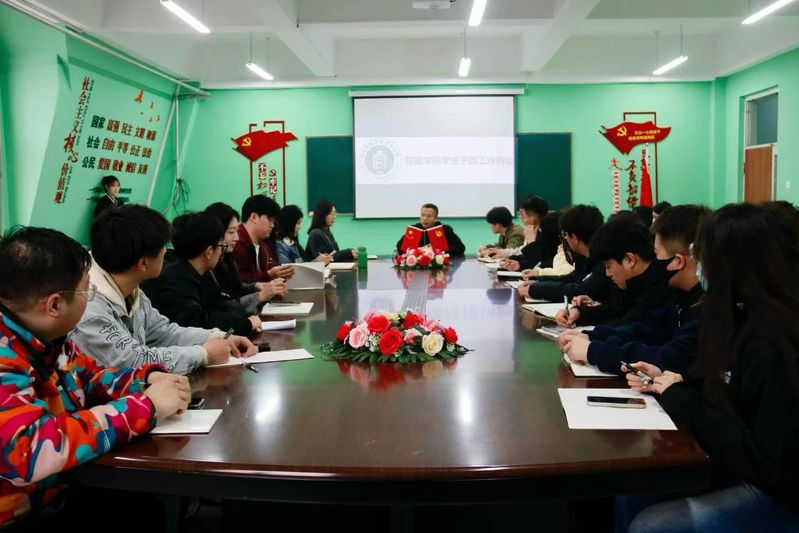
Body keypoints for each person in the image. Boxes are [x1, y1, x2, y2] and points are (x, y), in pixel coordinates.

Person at [617, 203, 799, 532]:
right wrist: (677, 381)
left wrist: (682, 396)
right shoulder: (738, 315)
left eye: (704, 256)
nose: (699, 266)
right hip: (746, 464)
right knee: (633, 491)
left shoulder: (777, 339)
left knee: (652, 526)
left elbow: (767, 460)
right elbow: (725, 389)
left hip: (778, 489)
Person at [0, 226, 189, 528]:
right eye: (86, 290)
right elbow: (28, 449)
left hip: (58, 487)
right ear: (54, 305)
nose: (90, 298)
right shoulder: (5, 357)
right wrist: (146, 407)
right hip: (18, 512)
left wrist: (147, 379)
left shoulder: (49, 338)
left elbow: (89, 378)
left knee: (143, 508)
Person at [70, 205, 256, 375]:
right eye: (162, 247)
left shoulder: (133, 291)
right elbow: (132, 362)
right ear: (143, 263)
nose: (166, 252)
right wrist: (202, 354)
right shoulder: (88, 308)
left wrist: (217, 337)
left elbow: (163, 333)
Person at [559, 205, 709, 374]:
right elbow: (647, 330)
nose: (653, 260)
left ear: (678, 262)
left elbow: (670, 358)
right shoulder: (680, 296)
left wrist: (594, 351)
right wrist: (592, 336)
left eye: (656, 253)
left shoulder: (705, 305)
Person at [142, 212, 260, 337]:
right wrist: (245, 324)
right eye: (221, 246)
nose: (221, 252)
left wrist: (244, 322)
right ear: (209, 252)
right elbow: (194, 323)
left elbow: (221, 306)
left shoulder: (202, 274)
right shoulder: (176, 280)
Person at [554, 215, 673, 327]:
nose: (607, 274)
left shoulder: (659, 291)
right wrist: (579, 313)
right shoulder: (632, 282)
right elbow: (614, 309)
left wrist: (587, 335)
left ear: (629, 260)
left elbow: (625, 325)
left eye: (608, 266)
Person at [205, 202, 286, 315]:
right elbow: (221, 308)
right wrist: (259, 295)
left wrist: (256, 286)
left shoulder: (227, 256)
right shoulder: (210, 264)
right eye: (231, 232)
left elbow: (236, 287)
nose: (237, 237)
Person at [518, 204, 609, 302]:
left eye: (565, 235)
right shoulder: (585, 258)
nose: (565, 239)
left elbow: (580, 290)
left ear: (574, 238)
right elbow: (571, 278)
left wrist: (537, 289)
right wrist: (538, 281)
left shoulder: (604, 261)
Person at [232, 195, 294, 283]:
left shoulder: (264, 246)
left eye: (274, 221)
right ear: (254, 217)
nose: (272, 225)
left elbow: (273, 269)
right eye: (270, 220)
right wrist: (269, 275)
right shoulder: (237, 243)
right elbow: (239, 280)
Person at [394, 203, 466, 257]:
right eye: (422, 215)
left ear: (436, 218)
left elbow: (460, 248)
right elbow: (399, 250)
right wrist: (406, 237)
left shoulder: (445, 229)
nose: (425, 218)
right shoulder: (415, 229)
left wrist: (436, 250)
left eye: (429, 216)